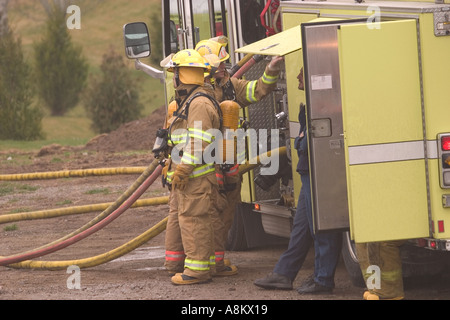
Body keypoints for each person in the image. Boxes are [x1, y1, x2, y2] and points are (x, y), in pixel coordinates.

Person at [195, 37, 284, 275]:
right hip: (206, 168)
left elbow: (258, 90)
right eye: (220, 63)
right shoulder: (197, 96)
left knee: (226, 214)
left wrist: (270, 71)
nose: (225, 67)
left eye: (225, 63)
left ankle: (217, 262)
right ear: (207, 68)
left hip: (230, 164)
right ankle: (207, 264)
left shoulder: (230, 86)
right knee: (210, 213)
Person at [253, 67, 342, 294]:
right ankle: (284, 274)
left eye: (302, 73)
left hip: (318, 175)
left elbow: (311, 145)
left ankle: (323, 280)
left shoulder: (323, 106)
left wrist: (301, 139)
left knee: (321, 229)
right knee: (302, 230)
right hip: (308, 174)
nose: (297, 77)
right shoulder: (312, 105)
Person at [163, 49, 222, 285]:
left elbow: (198, 143)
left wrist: (183, 170)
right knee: (193, 219)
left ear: (182, 75)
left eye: (175, 73)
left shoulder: (198, 103)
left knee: (194, 220)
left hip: (195, 177)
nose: (173, 78)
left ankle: (197, 272)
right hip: (193, 177)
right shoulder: (192, 100)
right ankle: (203, 265)